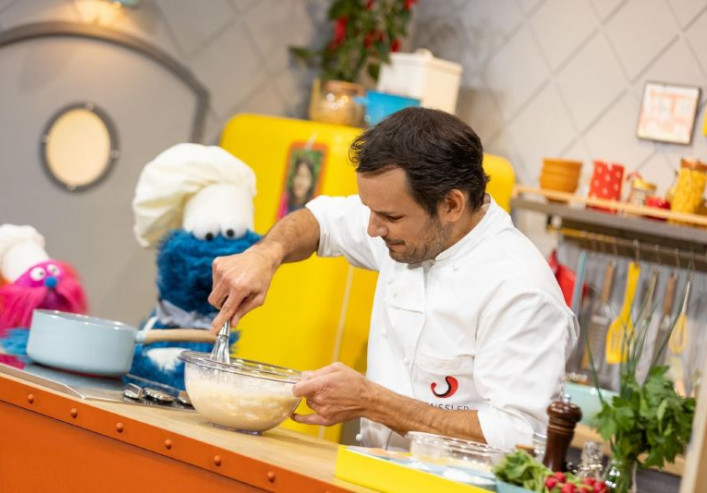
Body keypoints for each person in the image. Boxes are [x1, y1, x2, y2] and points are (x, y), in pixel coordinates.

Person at [208, 107, 578, 451]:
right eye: (370, 210)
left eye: (391, 217)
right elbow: (321, 221)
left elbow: (521, 437)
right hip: (374, 470)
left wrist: (372, 402)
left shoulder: (520, 289)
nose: (372, 228)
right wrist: (266, 254)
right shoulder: (405, 225)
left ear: (452, 205)